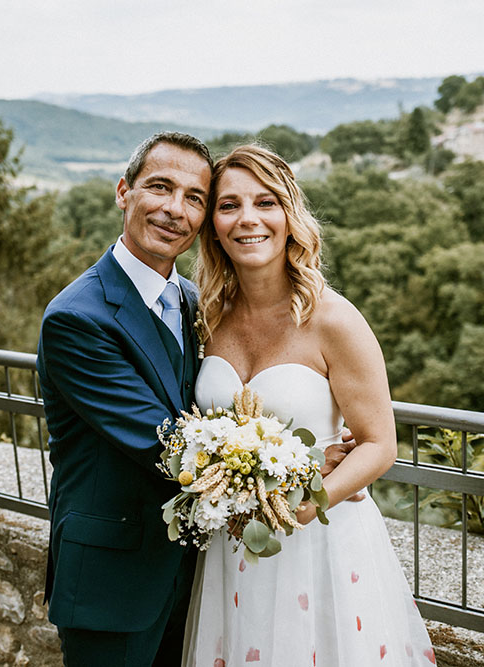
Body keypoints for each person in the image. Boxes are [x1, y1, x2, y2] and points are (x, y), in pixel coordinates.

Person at [37, 133, 359, 666]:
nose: (174, 209)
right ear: (124, 191)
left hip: (200, 571)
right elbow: (165, 441)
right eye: (160, 187)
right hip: (113, 577)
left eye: (194, 198)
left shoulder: (195, 302)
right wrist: (296, 470)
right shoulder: (78, 318)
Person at [182, 145, 436, 666]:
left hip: (318, 540)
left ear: (289, 215)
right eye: (229, 206)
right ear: (212, 226)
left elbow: (379, 444)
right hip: (233, 545)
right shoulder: (206, 315)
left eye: (266, 202)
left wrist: (307, 502)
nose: (247, 219)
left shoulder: (333, 319)